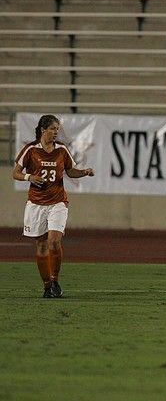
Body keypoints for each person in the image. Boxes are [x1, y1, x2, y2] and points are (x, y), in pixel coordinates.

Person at [12, 114, 95, 298]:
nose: (56, 132)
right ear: (43, 129)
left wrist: (84, 172)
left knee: (54, 241)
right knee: (41, 245)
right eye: (53, 128)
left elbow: (70, 171)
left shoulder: (62, 150)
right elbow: (16, 173)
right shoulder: (31, 150)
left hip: (57, 202)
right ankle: (47, 286)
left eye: (57, 129)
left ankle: (55, 281)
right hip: (36, 204)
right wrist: (29, 177)